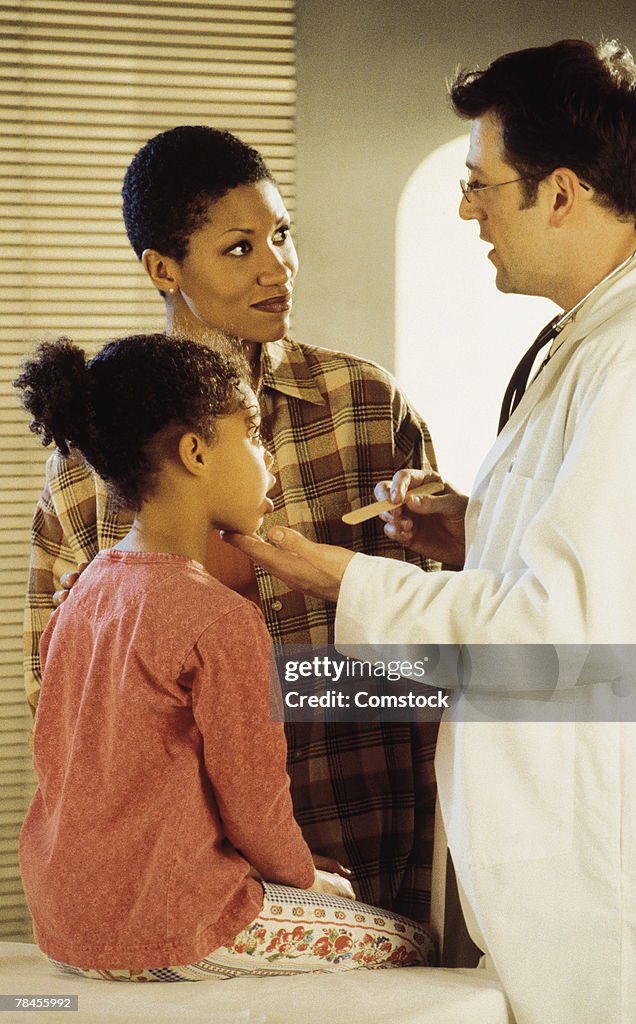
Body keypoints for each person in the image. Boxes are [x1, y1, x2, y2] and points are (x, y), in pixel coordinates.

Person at [227, 40, 636, 1024]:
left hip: (597, 871)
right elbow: (605, 566)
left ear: (560, 192)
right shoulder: (593, 335)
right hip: (543, 845)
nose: (465, 210)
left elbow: (559, 635)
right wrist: (473, 531)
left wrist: (341, 577)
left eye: (482, 186)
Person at [23, 126, 443, 927]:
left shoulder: (366, 405)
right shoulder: (89, 466)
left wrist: (452, 538)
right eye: (241, 248)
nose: (278, 266)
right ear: (163, 268)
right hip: (189, 876)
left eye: (282, 235)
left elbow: (446, 642)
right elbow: (61, 704)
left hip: (368, 814)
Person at [15, 333, 434, 981]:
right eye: (254, 437)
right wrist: (305, 879)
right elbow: (255, 801)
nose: (270, 463)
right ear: (195, 451)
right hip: (171, 927)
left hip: (65, 922)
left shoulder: (88, 588)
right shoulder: (220, 617)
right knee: (413, 945)